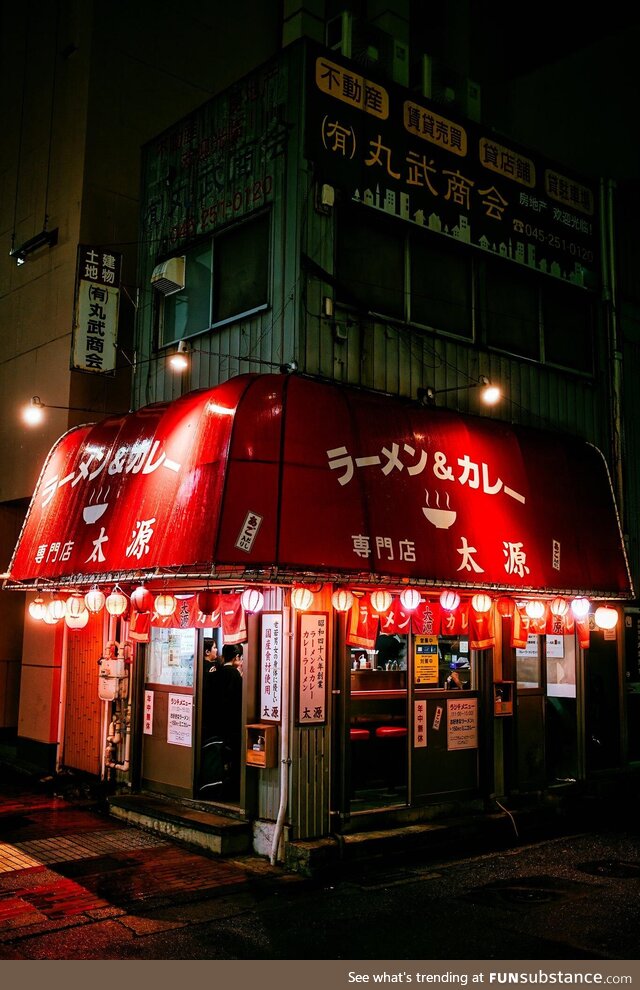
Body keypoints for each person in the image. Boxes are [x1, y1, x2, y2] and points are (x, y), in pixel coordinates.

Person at [209, 643, 244, 799]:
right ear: (236, 657)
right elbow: (238, 701)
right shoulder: (234, 674)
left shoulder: (218, 671)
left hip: (217, 723)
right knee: (233, 757)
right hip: (232, 724)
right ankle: (232, 791)